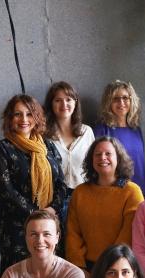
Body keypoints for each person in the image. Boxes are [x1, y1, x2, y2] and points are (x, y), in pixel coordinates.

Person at [0, 94, 66, 277]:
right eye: (17, 114)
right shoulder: (1, 149)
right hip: (18, 227)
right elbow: (7, 192)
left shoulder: (48, 146)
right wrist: (38, 216)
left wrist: (52, 211)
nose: (24, 119)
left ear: (37, 117)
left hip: (50, 224)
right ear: (9, 118)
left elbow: (61, 184)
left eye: (29, 114)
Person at [65, 136, 144, 278]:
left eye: (108, 154)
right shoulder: (80, 192)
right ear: (91, 160)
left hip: (119, 268)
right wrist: (79, 269)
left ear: (118, 158)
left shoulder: (132, 192)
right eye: (98, 154)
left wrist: (108, 270)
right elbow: (73, 234)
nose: (103, 158)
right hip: (84, 268)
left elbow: (128, 235)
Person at [44, 81, 95, 214]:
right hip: (53, 201)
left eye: (68, 99)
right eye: (58, 100)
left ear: (75, 102)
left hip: (84, 197)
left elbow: (94, 166)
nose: (64, 104)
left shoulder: (87, 132)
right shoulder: (43, 136)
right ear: (51, 104)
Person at [94, 80, 145, 197]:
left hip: (139, 191)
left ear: (131, 100)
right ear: (108, 102)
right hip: (114, 193)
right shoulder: (102, 130)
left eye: (125, 98)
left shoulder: (136, 130)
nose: (121, 102)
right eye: (115, 99)